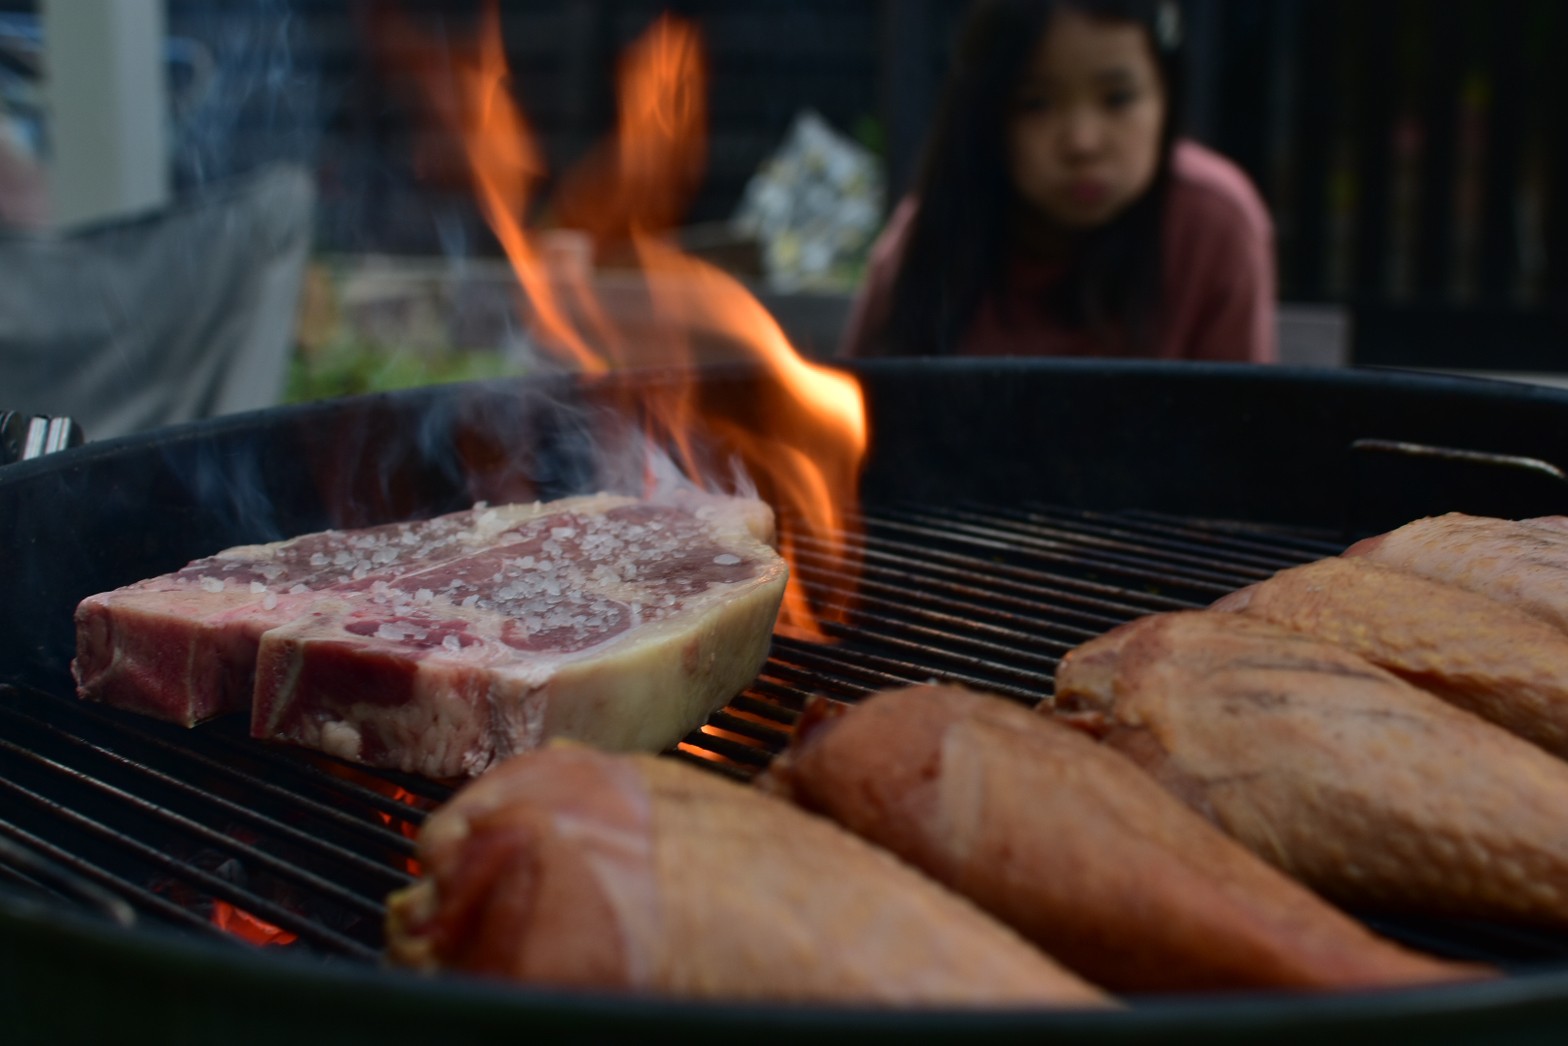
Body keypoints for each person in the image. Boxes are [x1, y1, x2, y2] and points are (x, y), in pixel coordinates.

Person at [840, 0, 1277, 363]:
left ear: (1168, 94)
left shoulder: (1215, 223)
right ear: (987, 116)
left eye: (1118, 98)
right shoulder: (935, 229)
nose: (1082, 142)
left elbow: (1241, 439)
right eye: (1037, 104)